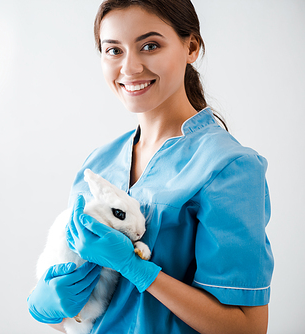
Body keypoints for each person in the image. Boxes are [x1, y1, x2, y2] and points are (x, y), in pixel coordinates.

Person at [27, 0, 274, 333]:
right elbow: (78, 317)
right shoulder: (98, 163)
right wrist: (52, 307)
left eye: (150, 46)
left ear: (191, 46)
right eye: (113, 50)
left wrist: (135, 267)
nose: (130, 68)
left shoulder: (228, 167)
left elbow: (246, 328)